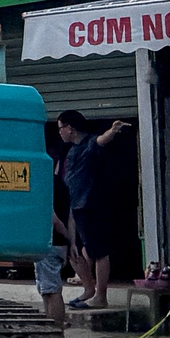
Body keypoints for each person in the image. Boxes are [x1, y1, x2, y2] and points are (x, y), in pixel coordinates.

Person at [56, 109, 134, 310]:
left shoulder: (90, 144)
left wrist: (113, 130)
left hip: (91, 205)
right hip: (75, 205)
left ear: (70, 128)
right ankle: (88, 289)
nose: (59, 133)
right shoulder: (72, 150)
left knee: (99, 252)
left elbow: (101, 140)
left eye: (60, 128)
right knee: (77, 249)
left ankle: (100, 295)